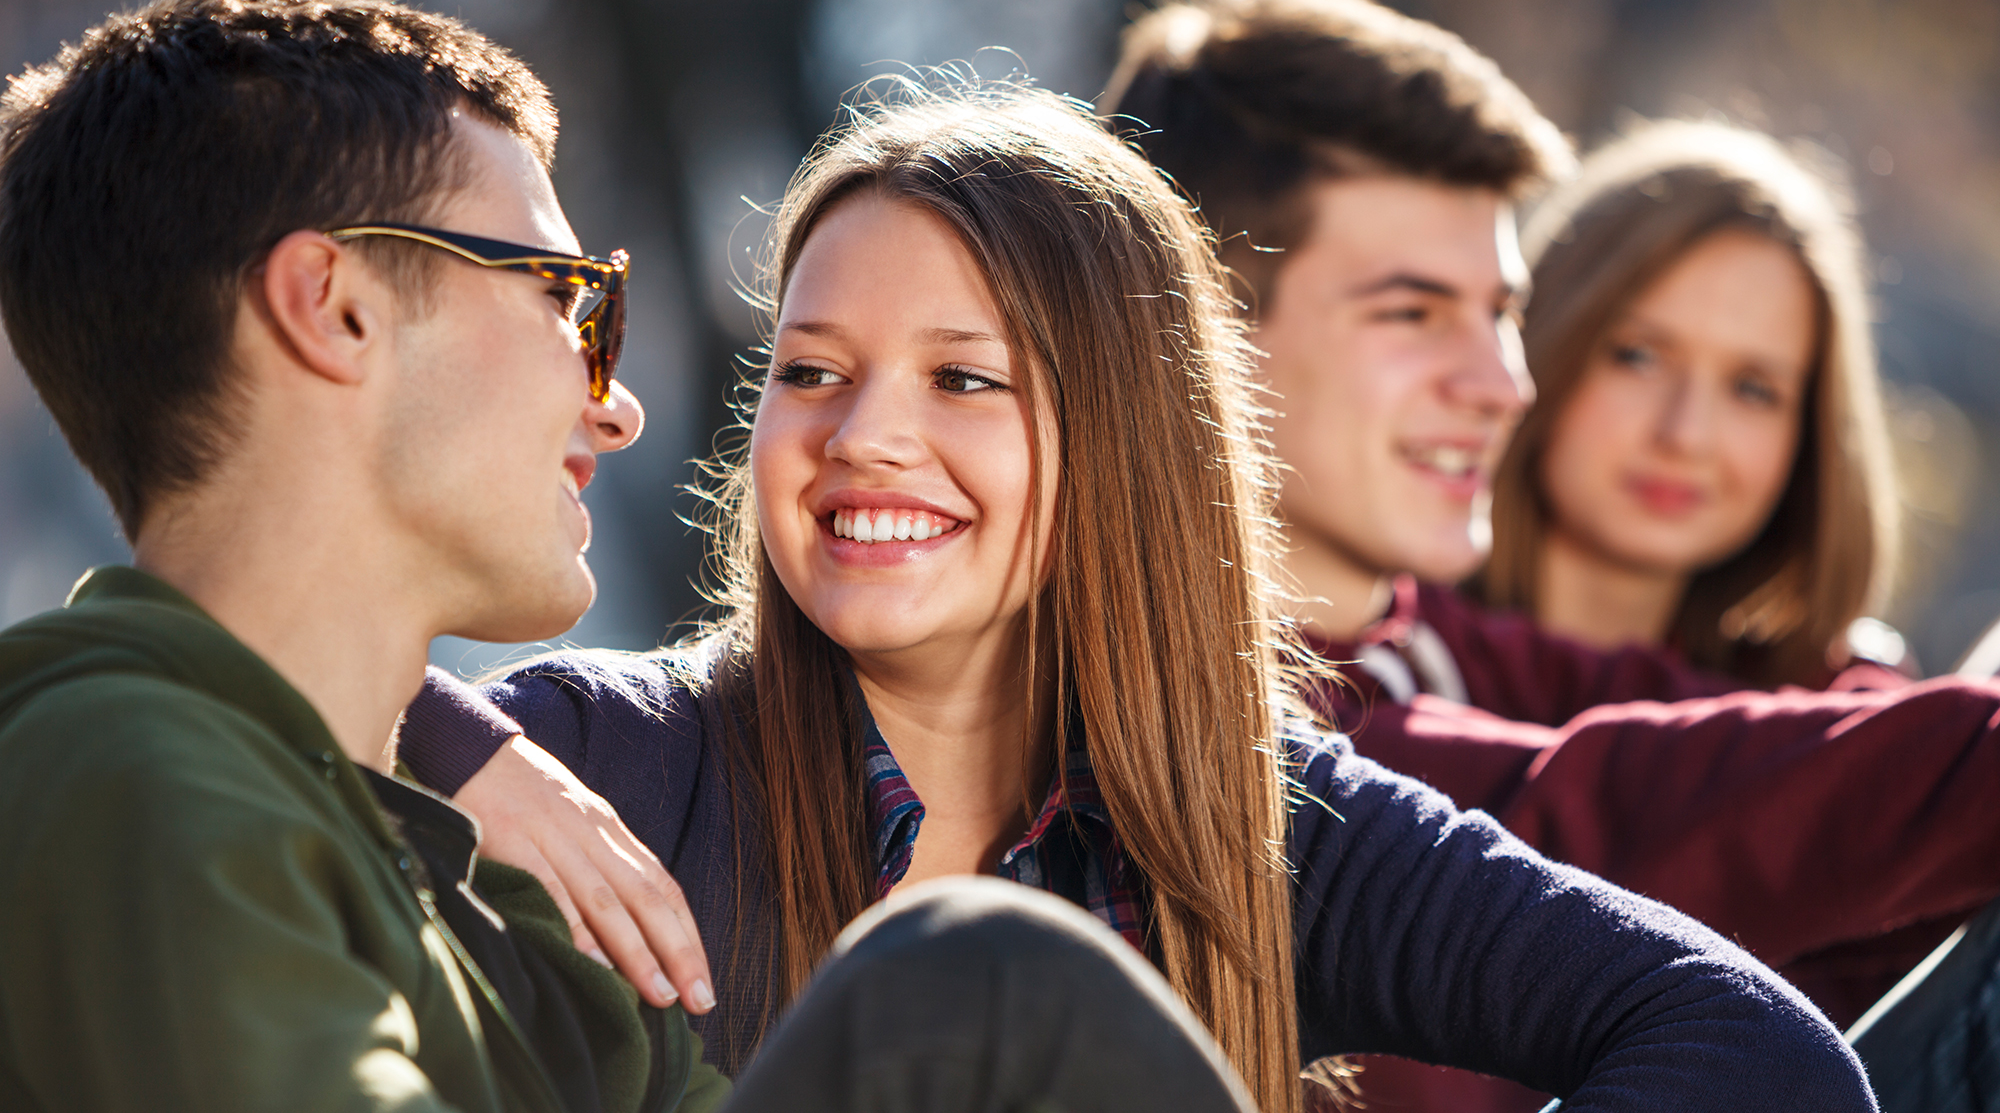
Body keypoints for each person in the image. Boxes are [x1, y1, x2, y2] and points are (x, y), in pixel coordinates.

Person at [392, 80, 1877, 1112]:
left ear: (1125, 445)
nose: (864, 437)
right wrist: (444, 744)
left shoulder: (1263, 820)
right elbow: (217, 696)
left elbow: (1758, 1052)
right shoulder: (591, 764)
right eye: (812, 372)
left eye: (965, 379)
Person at [0, 0, 1262, 1112]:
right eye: (561, 296)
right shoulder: (122, 767)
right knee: (981, 983)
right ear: (337, 310)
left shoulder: (471, 886)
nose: (616, 405)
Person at [1097, 0, 2000, 1109]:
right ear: (1200, 330)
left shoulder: (1439, 641)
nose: (1501, 383)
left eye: (1499, 314)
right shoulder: (1179, 703)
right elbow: (1598, 804)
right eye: (1413, 312)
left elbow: (1698, 722)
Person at [1471, 119, 1906, 691]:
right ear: (1539, 346)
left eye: (1753, 389)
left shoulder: (1842, 716)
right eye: (1637, 357)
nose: (1687, 434)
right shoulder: (1367, 663)